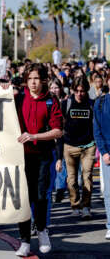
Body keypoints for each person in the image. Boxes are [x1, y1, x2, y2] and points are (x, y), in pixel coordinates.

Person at [14, 63, 63, 257]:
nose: (33, 82)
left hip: (43, 156)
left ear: (43, 80)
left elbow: (58, 131)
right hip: (21, 157)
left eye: (36, 78)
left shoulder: (51, 100)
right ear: (25, 80)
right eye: (30, 78)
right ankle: (25, 240)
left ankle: (42, 230)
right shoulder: (18, 99)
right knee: (23, 200)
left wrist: (35, 136)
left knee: (40, 196)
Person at [62, 76, 95, 219]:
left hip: (88, 146)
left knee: (87, 177)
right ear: (72, 90)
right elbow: (60, 126)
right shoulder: (66, 104)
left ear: (86, 90)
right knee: (72, 180)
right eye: (77, 91)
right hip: (69, 146)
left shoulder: (91, 104)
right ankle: (75, 205)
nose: (79, 94)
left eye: (82, 91)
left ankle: (86, 206)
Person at [93, 89, 110, 240]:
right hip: (108, 154)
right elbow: (97, 131)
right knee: (109, 193)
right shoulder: (100, 103)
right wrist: (104, 152)